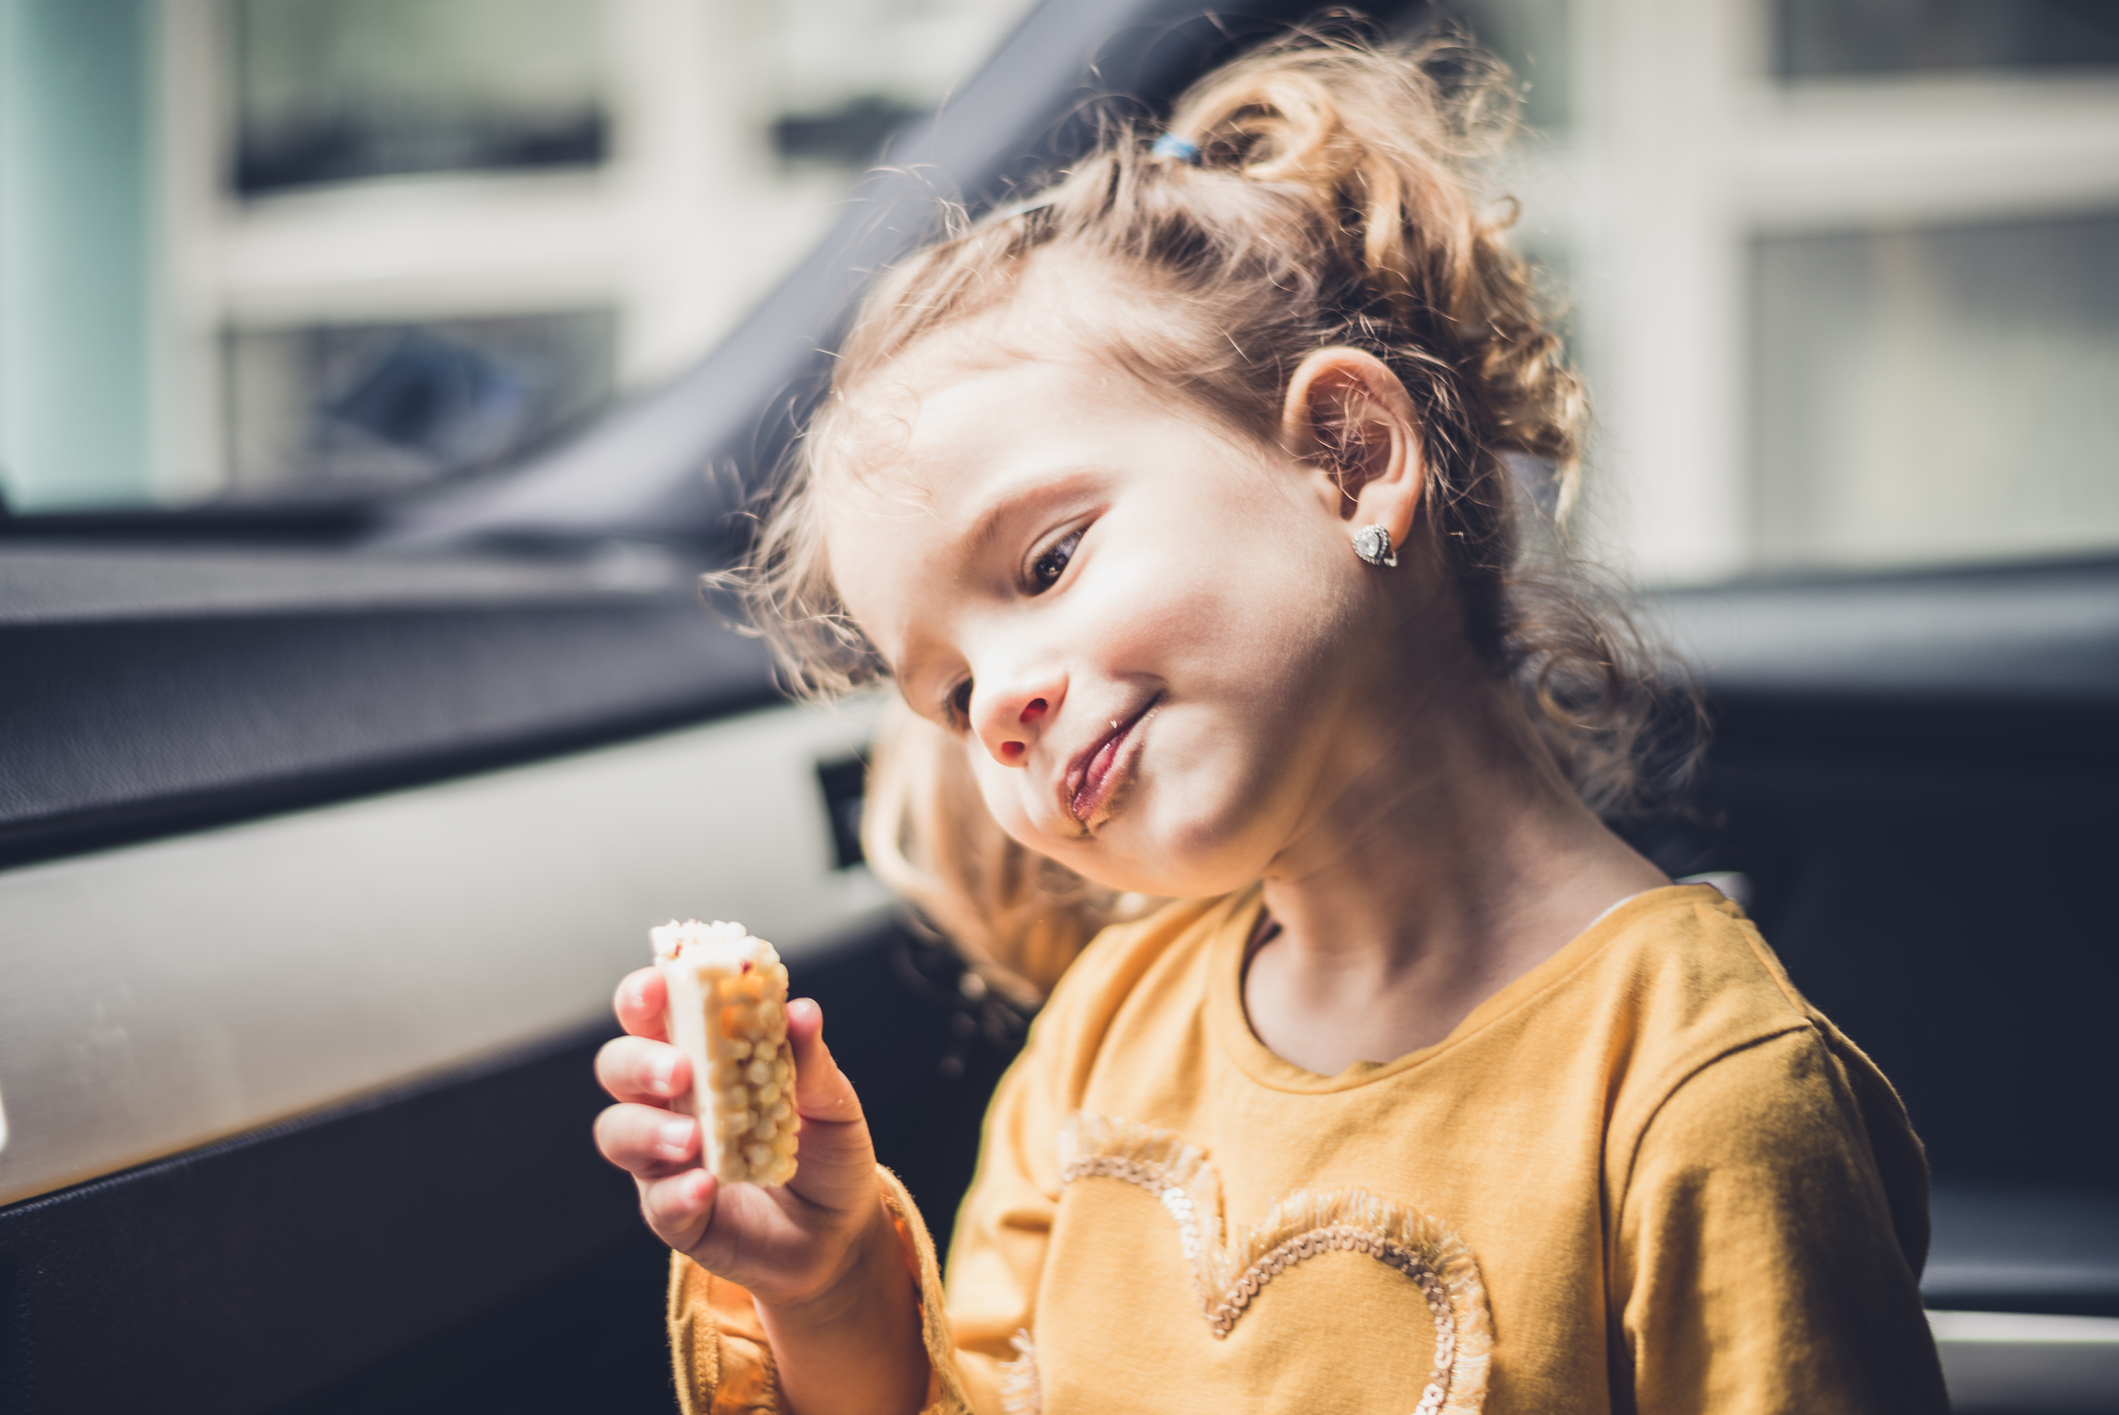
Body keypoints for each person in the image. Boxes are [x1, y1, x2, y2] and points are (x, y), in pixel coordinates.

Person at [593, 30, 1950, 1415]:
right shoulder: (1105, 1037)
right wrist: (828, 1298)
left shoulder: (1700, 1090)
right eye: (947, 694)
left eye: (1049, 562)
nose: (997, 706)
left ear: (1350, 458)